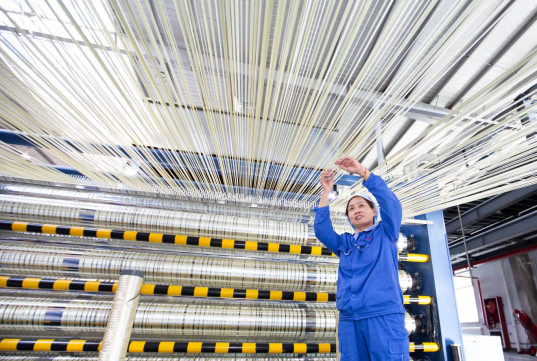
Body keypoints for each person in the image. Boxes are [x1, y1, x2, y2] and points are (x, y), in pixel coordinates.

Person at [314, 156, 409, 361]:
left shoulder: (386, 233)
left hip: (383, 316)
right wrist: (325, 192)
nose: (356, 210)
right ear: (348, 218)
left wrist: (362, 172)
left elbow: (391, 204)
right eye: (351, 209)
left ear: (374, 211)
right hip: (350, 319)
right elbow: (322, 231)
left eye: (361, 206)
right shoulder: (346, 243)